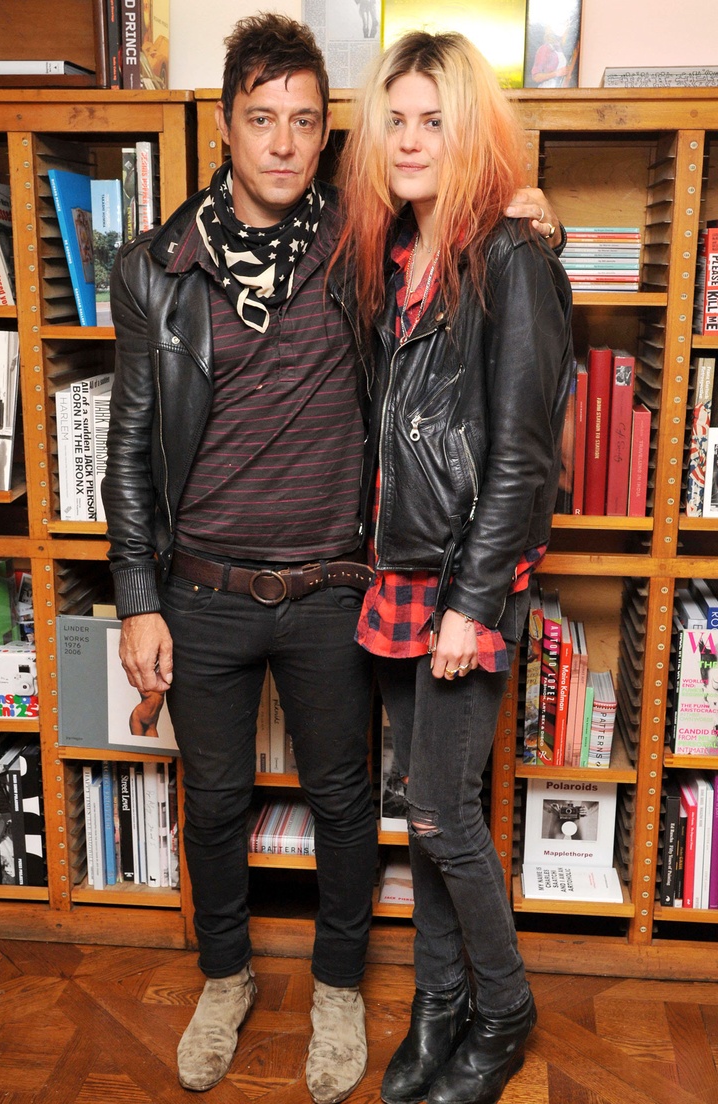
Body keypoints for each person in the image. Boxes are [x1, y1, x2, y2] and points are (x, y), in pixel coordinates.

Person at [102, 12, 564, 1100]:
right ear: (223, 126)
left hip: (334, 588)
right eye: (260, 120)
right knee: (213, 804)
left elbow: (466, 227)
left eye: (306, 122)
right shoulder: (154, 269)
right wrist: (134, 598)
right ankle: (226, 978)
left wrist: (523, 210)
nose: (281, 143)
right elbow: (128, 448)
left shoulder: (359, 238)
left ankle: (345, 991)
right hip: (201, 589)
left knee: (351, 802)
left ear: (325, 138)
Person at [330, 29, 573, 1104]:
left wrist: (474, 606)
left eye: (435, 119)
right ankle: (437, 1005)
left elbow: (521, 451)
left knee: (440, 815)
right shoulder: (393, 254)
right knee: (419, 809)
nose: (412, 139)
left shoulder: (510, 257)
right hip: (399, 571)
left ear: (469, 129)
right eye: (397, 119)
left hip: (465, 586)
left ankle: (503, 1009)